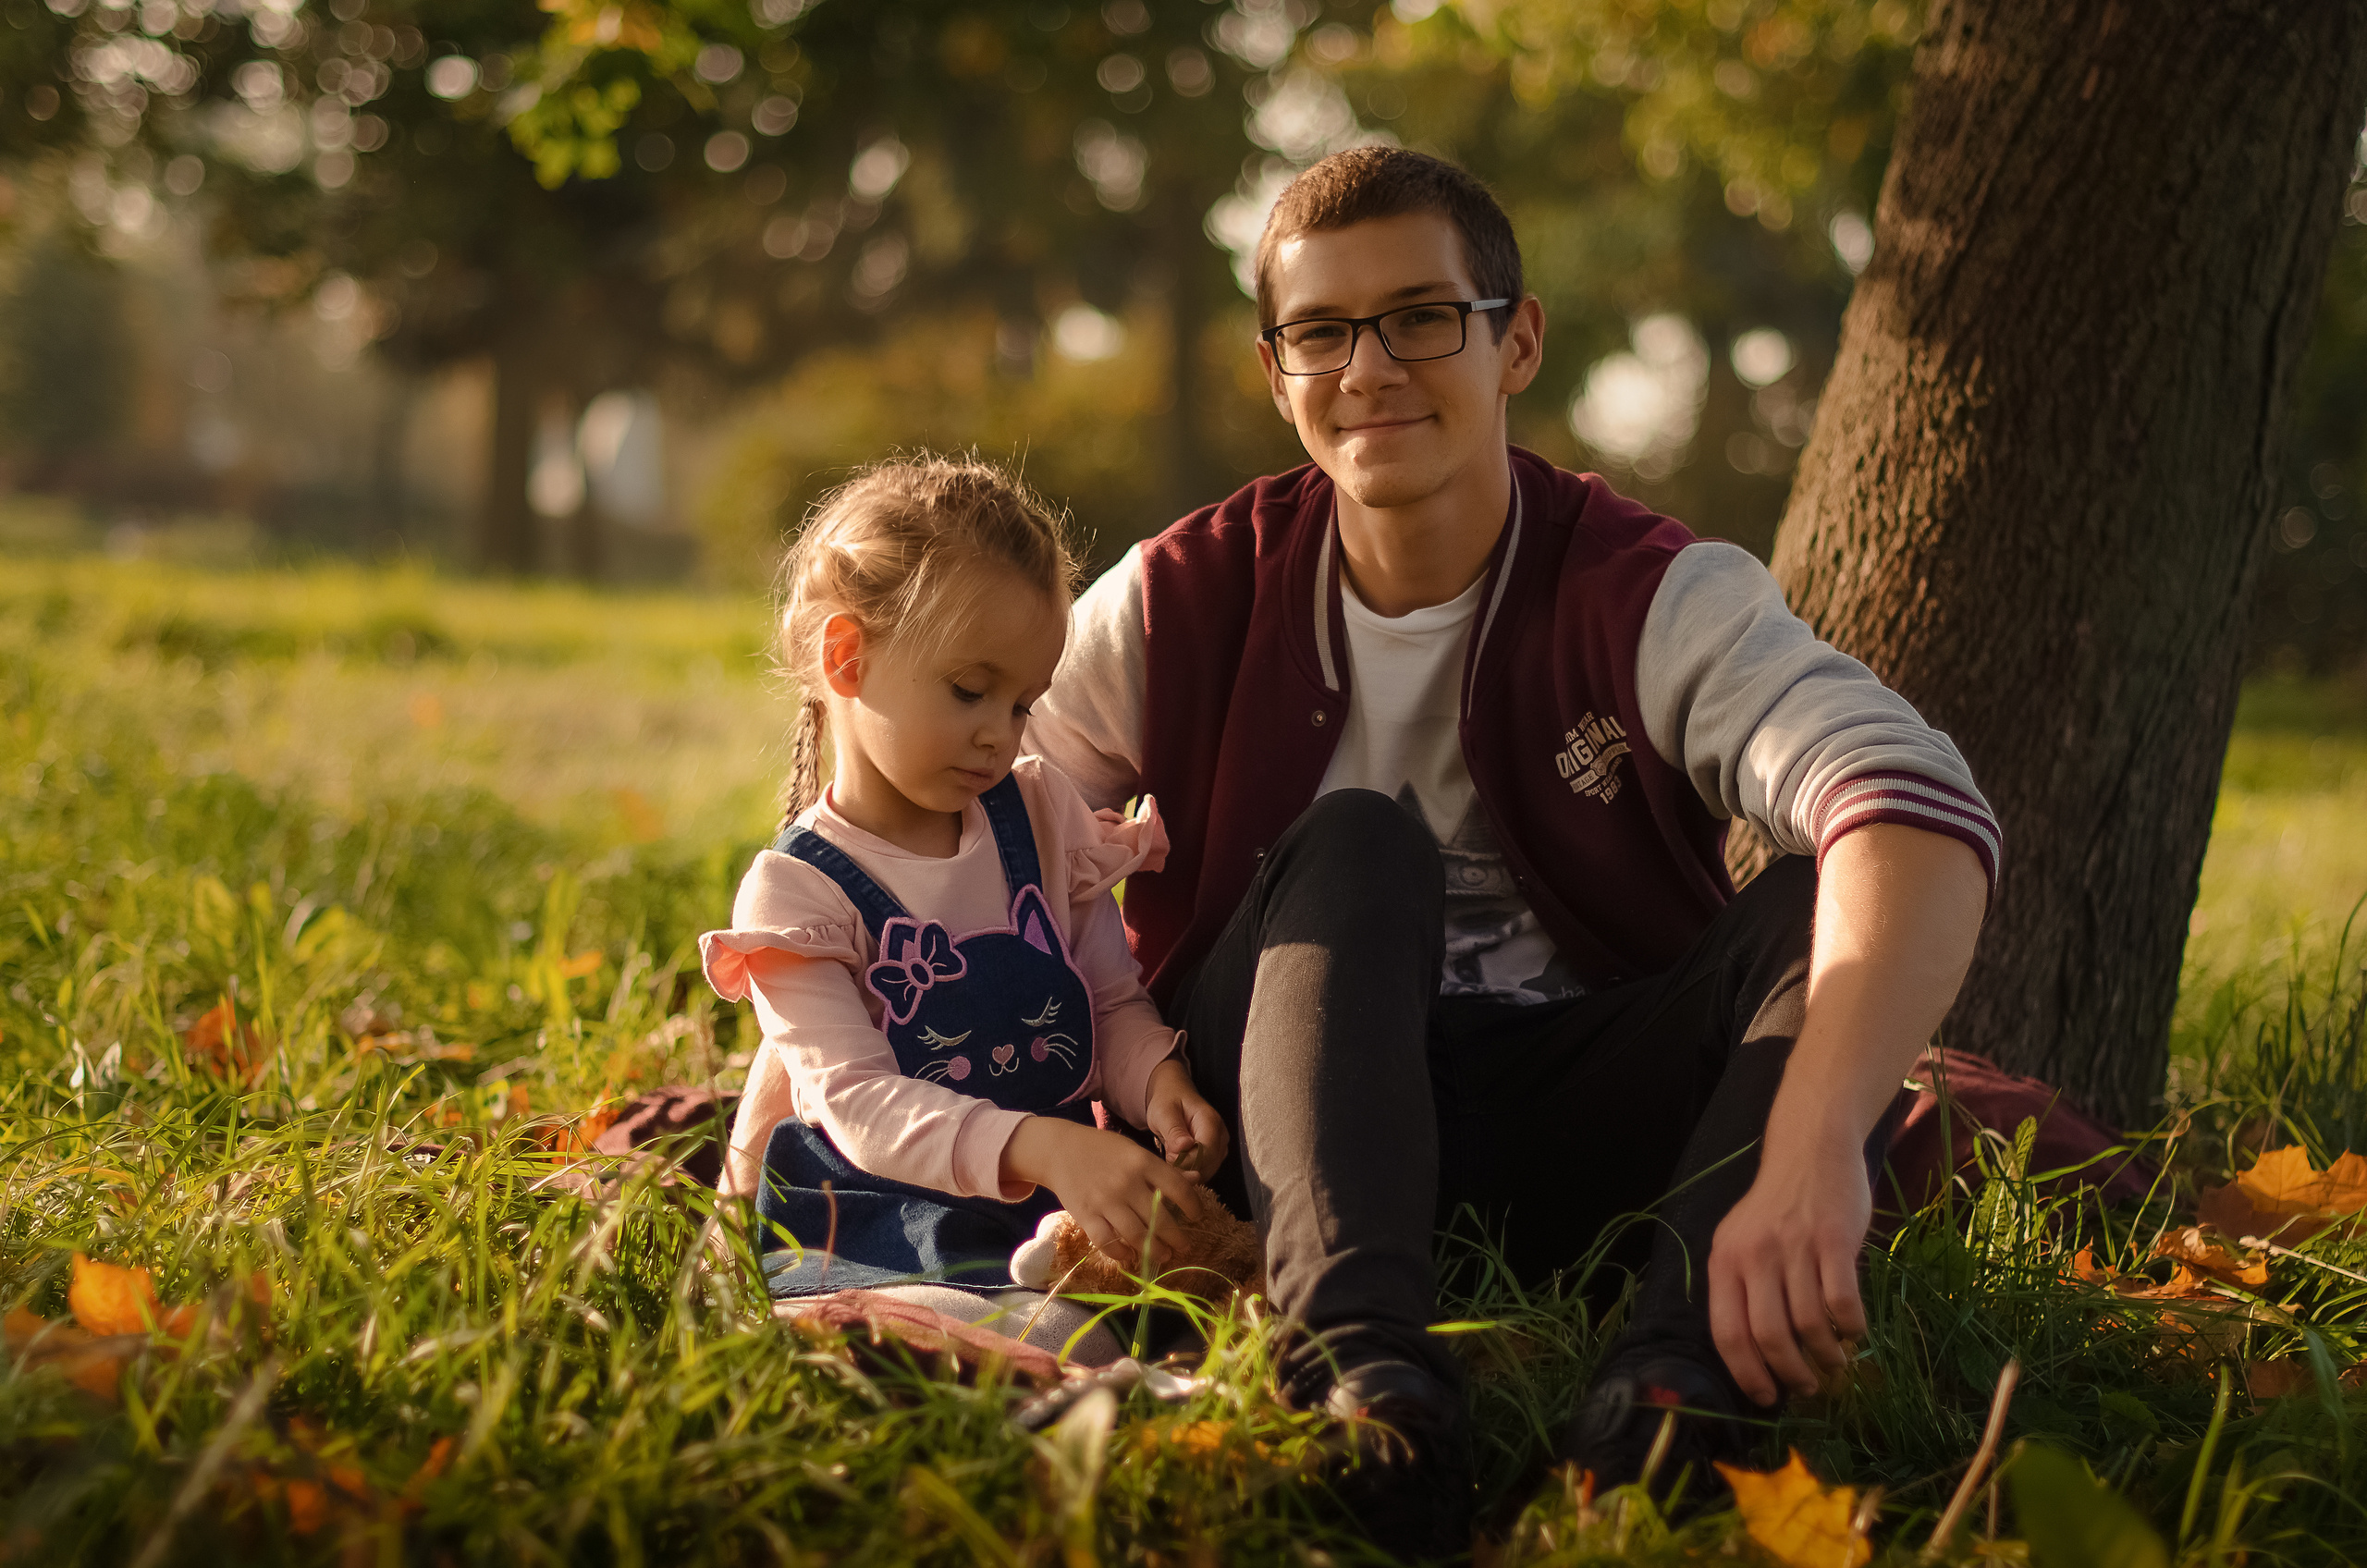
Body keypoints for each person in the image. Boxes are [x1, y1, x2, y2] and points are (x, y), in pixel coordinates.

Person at [1025, 148, 1995, 1552]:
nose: (1370, 368)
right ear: (1275, 368)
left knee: (1804, 904)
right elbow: (953, 819)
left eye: (1423, 316)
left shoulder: (1646, 589)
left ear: (1516, 338)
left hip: (1571, 1122)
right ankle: (1369, 1392)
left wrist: (1817, 1147)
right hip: (1286, 1117)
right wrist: (1036, 1126)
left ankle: (1667, 1398)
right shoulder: (1186, 593)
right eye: (1321, 332)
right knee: (1358, 843)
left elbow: (1914, 802)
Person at [698, 456, 1232, 1363]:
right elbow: (855, 1102)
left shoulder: (1041, 815)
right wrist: (1047, 1147)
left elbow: (1106, 999)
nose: (999, 731)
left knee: (1163, 1309)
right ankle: (944, 1340)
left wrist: (1157, 1083)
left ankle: (1054, 1353)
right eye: (968, 689)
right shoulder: (801, 891)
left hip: (1037, 1218)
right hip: (871, 1224)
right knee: (1041, 1339)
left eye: (1023, 702)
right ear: (846, 656)